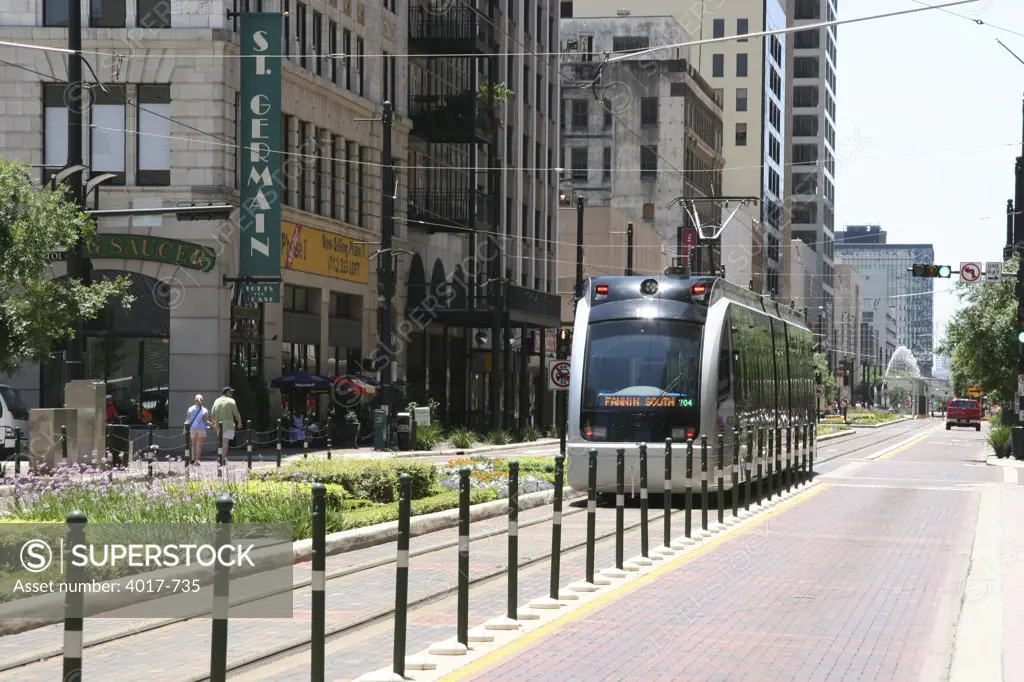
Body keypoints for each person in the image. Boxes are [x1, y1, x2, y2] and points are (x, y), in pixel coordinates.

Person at [210, 386, 243, 458]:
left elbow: (213, 414)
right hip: (228, 425)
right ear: (227, 392)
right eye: (230, 392)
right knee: (225, 443)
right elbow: (236, 413)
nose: (232, 393)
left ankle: (220, 458)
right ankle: (222, 459)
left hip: (219, 426)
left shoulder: (216, 401)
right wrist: (239, 422)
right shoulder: (231, 401)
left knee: (221, 443)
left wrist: (214, 424)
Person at [184, 394, 212, 465]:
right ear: (202, 400)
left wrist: (185, 428)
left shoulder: (190, 408)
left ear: (195, 400)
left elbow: (187, 420)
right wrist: (213, 425)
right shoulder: (204, 410)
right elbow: (205, 421)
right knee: (199, 446)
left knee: (193, 445)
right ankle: (197, 461)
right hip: (201, 429)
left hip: (192, 429)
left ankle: (192, 459)